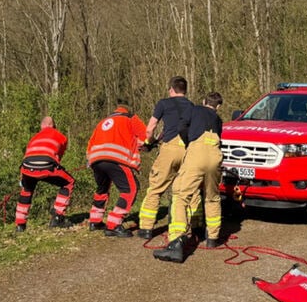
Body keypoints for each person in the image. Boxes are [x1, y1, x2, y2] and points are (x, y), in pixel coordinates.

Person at [155, 92, 224, 263]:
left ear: (203, 101)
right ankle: (212, 238)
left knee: (180, 194)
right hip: (215, 155)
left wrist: (188, 143)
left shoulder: (193, 110)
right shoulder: (218, 119)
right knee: (212, 197)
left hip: (197, 152)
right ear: (218, 106)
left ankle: (177, 241)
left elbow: (181, 128)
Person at [136, 76, 194, 240]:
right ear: (185, 90)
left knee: (155, 188)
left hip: (169, 148)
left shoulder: (164, 103)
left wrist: (149, 142)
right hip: (186, 150)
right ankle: (182, 228)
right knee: (181, 191)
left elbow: (150, 127)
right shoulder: (191, 106)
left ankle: (146, 228)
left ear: (171, 89)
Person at [86, 100, 148, 237]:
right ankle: (114, 224)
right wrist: (150, 144)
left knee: (102, 189)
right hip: (116, 159)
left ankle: (95, 221)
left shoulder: (102, 122)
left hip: (96, 160)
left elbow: (90, 143)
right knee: (130, 189)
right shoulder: (130, 118)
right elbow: (146, 136)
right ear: (128, 110)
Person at [14, 116, 74, 233]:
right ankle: (58, 216)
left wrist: (22, 177)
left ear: (42, 127)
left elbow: (27, 155)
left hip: (27, 167)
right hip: (47, 165)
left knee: (26, 190)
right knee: (69, 182)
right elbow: (58, 158)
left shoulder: (34, 138)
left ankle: (20, 225)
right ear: (53, 126)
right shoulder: (61, 136)